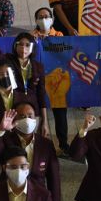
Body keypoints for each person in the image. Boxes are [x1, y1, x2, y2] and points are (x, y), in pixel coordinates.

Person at [0, 59, 45, 185]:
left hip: (19, 150)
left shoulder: (25, 96)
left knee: (20, 190)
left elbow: (32, 121)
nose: (4, 76)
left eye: (7, 73)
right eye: (0, 74)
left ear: (14, 74)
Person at [0, 25, 51, 139]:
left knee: (30, 141)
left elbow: (41, 94)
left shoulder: (38, 67)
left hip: (31, 111)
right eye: (20, 44)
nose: (23, 48)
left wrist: (45, 121)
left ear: (33, 47)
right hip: (13, 108)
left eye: (27, 45)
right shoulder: (9, 60)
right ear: (15, 46)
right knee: (13, 139)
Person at [29, 11, 71, 155]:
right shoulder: (31, 37)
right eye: (40, 17)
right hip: (37, 79)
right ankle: (37, 144)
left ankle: (64, 144)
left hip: (55, 80)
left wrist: (49, 41)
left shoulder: (59, 35)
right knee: (38, 112)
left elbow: (64, 54)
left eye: (47, 16)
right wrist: (34, 42)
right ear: (36, 20)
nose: (44, 19)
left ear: (52, 19)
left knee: (60, 113)